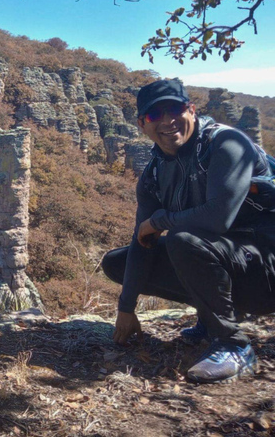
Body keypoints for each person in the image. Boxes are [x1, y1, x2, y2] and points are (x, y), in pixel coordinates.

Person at [101, 78, 275, 383]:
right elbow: (142, 241)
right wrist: (126, 309)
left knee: (182, 241)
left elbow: (218, 218)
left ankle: (234, 344)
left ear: (191, 110)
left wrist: (158, 221)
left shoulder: (226, 143)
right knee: (117, 261)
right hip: (231, 264)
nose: (168, 121)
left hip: (266, 268)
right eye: (155, 115)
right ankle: (210, 319)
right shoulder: (154, 173)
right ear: (142, 124)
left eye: (176, 109)